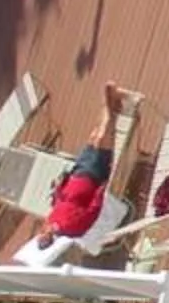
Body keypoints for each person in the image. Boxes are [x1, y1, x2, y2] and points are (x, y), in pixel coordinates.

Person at [39, 86, 136, 245]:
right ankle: (109, 95)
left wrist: (59, 186)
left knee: (95, 134)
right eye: (45, 235)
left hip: (77, 172)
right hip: (93, 178)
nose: (44, 231)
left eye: (42, 233)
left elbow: (60, 201)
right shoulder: (73, 230)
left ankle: (113, 101)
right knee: (103, 136)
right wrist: (100, 190)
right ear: (50, 239)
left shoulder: (50, 219)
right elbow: (92, 211)